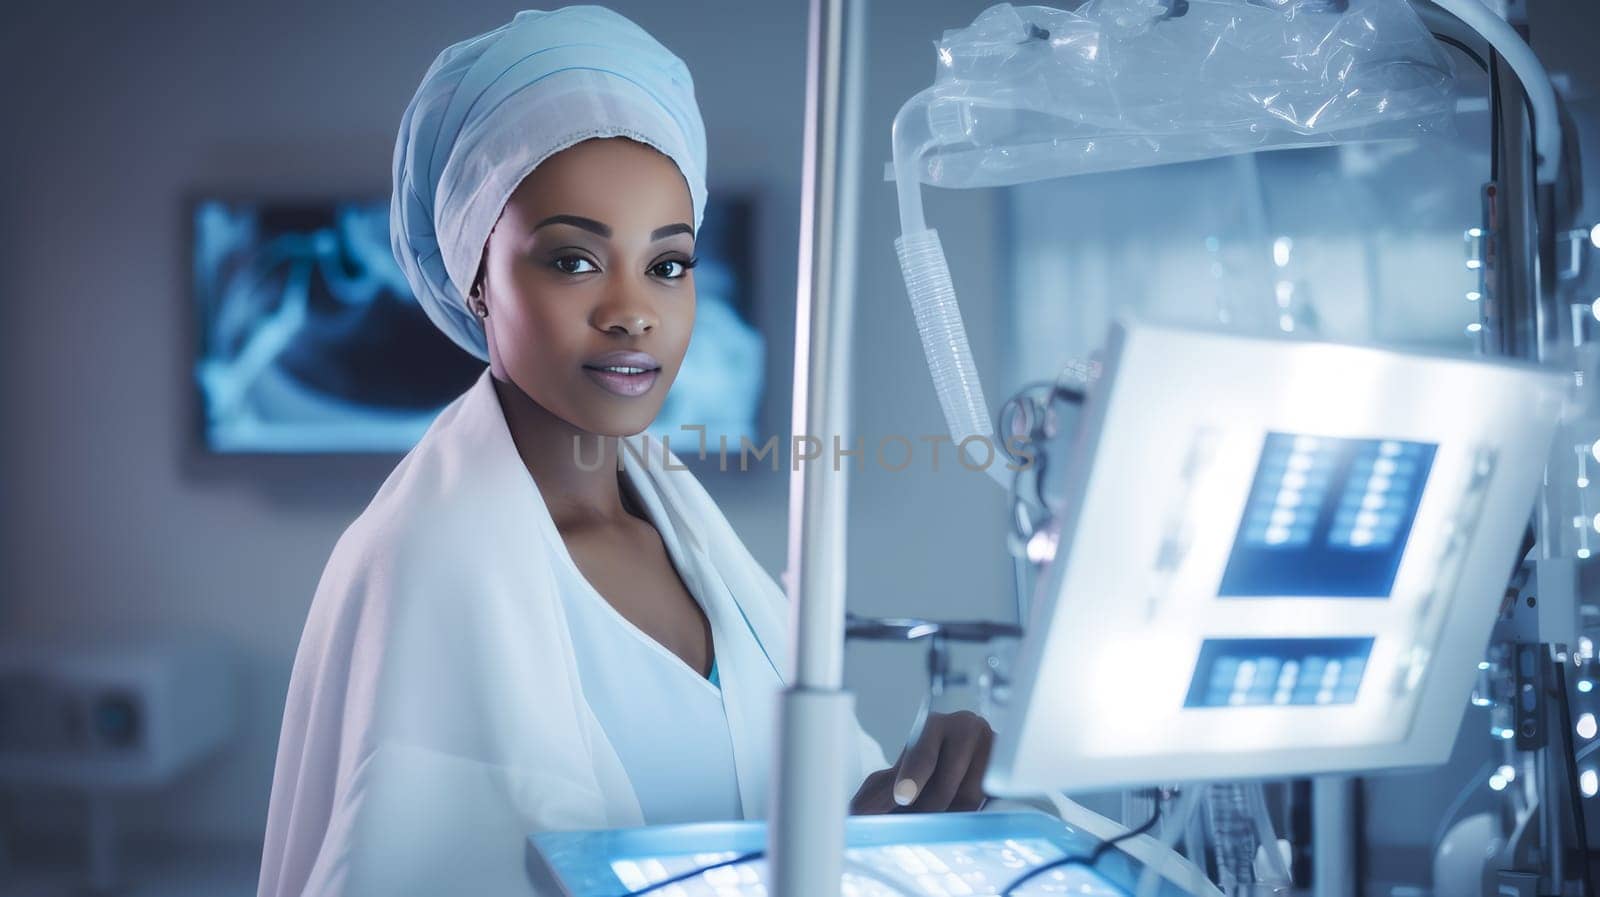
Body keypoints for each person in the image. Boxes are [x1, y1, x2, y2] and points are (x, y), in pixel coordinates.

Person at [257, 7, 993, 896]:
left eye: (668, 264)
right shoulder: (430, 563)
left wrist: (883, 816)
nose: (632, 310)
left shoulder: (686, 530)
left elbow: (760, 830)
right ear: (477, 279)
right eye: (573, 261)